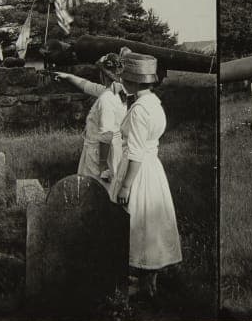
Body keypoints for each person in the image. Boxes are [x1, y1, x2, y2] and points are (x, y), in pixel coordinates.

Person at [111, 52, 182, 300]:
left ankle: (142, 282)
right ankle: (148, 281)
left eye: (124, 78)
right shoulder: (154, 103)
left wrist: (125, 186)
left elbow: (136, 152)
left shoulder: (140, 110)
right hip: (153, 168)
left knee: (138, 222)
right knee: (151, 223)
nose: (121, 81)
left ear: (133, 81)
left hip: (139, 171)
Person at [53, 54, 128, 193]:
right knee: (109, 191)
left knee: (95, 192)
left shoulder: (106, 98)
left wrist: (103, 166)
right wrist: (68, 76)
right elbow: (86, 85)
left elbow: (107, 135)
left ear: (103, 75)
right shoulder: (118, 91)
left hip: (100, 153)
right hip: (114, 150)